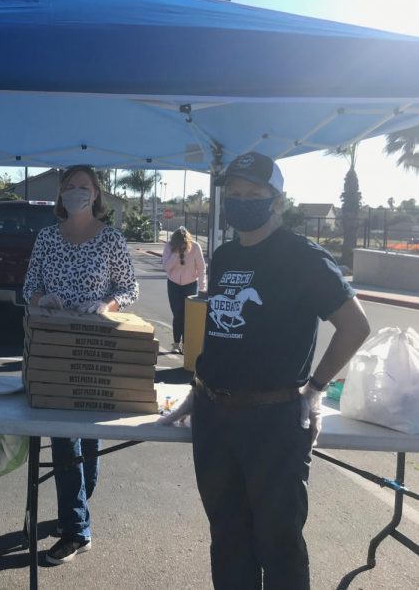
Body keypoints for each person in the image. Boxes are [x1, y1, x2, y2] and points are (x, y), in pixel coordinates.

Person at [160, 152, 370, 589]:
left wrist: (314, 389)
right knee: (228, 539)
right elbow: (221, 333)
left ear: (276, 200)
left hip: (273, 422)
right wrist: (199, 389)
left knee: (279, 544)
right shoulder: (226, 255)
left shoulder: (303, 258)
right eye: (233, 194)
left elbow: (355, 326)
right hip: (216, 420)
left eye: (252, 194)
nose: (241, 202)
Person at [23, 165, 139, 565]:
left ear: (96, 194)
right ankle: (76, 529)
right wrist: (42, 300)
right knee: (64, 439)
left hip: (97, 350)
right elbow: (29, 286)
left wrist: (105, 305)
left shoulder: (111, 240)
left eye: (84, 187)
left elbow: (129, 287)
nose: (76, 193)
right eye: (69, 187)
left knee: (87, 441)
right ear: (60, 195)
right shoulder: (46, 238)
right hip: (54, 349)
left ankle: (76, 507)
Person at [161, 226, 207, 353]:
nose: (182, 246)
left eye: (184, 243)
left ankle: (186, 345)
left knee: (188, 315)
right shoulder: (169, 247)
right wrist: (175, 253)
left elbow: (202, 268)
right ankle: (176, 344)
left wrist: (203, 287)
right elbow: (166, 267)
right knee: (178, 314)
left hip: (190, 284)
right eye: (179, 244)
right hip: (174, 284)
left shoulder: (195, 247)